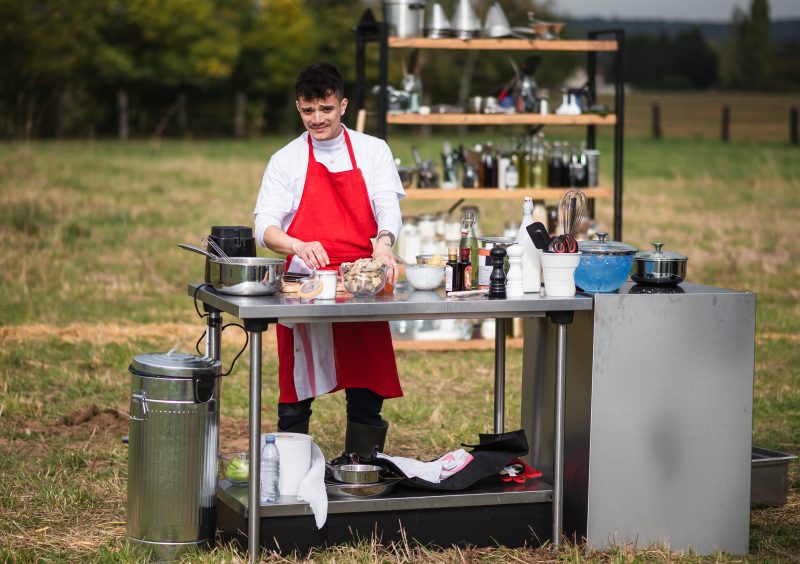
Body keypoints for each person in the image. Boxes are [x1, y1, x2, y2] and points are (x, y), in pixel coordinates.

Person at [253, 61, 404, 457]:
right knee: (296, 387)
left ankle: (362, 468)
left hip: (363, 283)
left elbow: (388, 207)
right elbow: (264, 226)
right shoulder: (285, 159)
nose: (316, 119)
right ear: (298, 108)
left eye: (326, 109)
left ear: (343, 106)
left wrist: (384, 243)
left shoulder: (374, 151)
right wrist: (297, 245)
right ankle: (293, 470)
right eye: (307, 111)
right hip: (306, 284)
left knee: (367, 384)